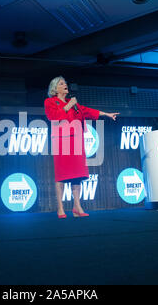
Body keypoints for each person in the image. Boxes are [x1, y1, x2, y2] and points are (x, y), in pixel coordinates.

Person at [44, 76, 119, 219]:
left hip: (76, 142)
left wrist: (107, 114)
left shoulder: (73, 103)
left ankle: (77, 207)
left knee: (77, 175)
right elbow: (53, 116)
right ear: (55, 88)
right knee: (61, 175)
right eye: (61, 83)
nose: (65, 84)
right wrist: (69, 105)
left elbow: (88, 111)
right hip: (61, 141)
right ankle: (60, 208)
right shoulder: (50, 102)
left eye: (65, 83)